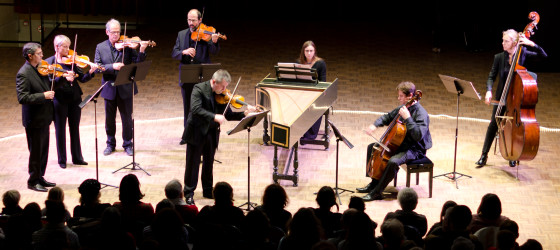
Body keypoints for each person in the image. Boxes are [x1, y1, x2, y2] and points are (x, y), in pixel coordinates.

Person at [183, 69, 257, 205]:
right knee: (192, 164)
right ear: (213, 82)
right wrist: (214, 116)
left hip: (212, 132)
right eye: (222, 86)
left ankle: (207, 190)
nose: (225, 89)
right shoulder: (198, 89)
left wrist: (244, 114)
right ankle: (188, 193)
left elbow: (228, 115)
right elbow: (195, 109)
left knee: (209, 162)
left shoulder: (222, 95)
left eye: (226, 86)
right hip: (197, 132)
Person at [475, 29, 547, 168]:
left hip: (516, 100)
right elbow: (491, 76)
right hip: (501, 98)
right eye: (503, 40)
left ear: (515, 43)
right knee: (493, 125)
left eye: (506, 41)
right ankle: (484, 155)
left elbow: (543, 56)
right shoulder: (499, 57)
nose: (502, 43)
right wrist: (489, 91)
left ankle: (512, 154)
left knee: (513, 128)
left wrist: (530, 43)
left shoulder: (523, 54)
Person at [357, 81, 432, 201]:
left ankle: (377, 192)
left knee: (393, 161)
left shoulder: (421, 114)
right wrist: (375, 125)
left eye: (401, 96)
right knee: (373, 147)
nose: (398, 98)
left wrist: (408, 118)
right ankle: (373, 183)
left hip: (414, 148)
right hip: (400, 144)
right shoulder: (404, 107)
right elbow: (387, 117)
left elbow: (418, 136)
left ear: (410, 96)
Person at [94, 18, 149, 156]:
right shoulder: (100, 47)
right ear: (107, 32)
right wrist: (111, 66)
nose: (116, 35)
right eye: (113, 32)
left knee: (126, 119)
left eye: (118, 32)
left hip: (125, 87)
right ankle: (110, 144)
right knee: (109, 120)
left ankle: (128, 144)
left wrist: (141, 50)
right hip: (109, 88)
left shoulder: (128, 46)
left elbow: (137, 62)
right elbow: (97, 67)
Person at [46, 34, 98, 169]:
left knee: (75, 129)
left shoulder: (72, 62)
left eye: (69, 46)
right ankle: (62, 160)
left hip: (75, 99)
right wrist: (63, 79)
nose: (68, 50)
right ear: (57, 47)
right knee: (60, 130)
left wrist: (91, 72)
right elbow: (49, 84)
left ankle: (77, 157)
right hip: (59, 100)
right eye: (65, 47)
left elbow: (82, 78)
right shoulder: (49, 63)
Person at [172, 8, 221, 145]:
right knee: (188, 107)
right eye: (189, 20)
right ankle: (187, 135)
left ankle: (204, 135)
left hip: (203, 76)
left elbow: (214, 51)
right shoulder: (181, 34)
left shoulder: (206, 33)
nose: (191, 23)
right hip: (187, 75)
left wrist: (215, 41)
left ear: (200, 20)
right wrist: (184, 51)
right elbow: (174, 53)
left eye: (194, 20)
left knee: (204, 107)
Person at [16, 42, 57, 192]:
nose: (42, 56)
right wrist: (43, 96)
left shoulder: (39, 69)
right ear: (30, 56)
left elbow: (47, 86)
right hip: (34, 120)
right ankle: (33, 181)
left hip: (44, 117)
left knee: (43, 151)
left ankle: (40, 177)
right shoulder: (23, 73)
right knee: (35, 152)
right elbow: (23, 97)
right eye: (39, 54)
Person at [298, 40, 327, 142]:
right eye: (307, 51)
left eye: (311, 50)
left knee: (313, 106)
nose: (309, 53)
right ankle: (298, 129)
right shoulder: (299, 63)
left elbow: (323, 81)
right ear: (303, 52)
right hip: (302, 93)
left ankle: (310, 135)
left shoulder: (320, 63)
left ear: (314, 51)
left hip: (315, 93)